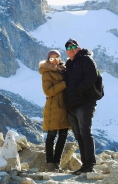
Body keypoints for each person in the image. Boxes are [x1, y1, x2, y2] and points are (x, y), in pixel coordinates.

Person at [63, 38, 98, 175]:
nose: (71, 50)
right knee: (78, 135)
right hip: (72, 106)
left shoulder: (85, 59)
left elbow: (92, 76)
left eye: (73, 47)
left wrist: (78, 91)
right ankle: (85, 165)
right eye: (68, 48)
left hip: (85, 103)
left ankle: (90, 165)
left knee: (85, 133)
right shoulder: (68, 64)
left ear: (78, 48)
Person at [39, 50, 71, 172]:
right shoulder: (46, 73)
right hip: (53, 108)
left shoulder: (64, 71)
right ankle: (50, 163)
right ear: (48, 60)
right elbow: (48, 92)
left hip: (64, 108)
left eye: (57, 58)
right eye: (51, 59)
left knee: (63, 136)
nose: (54, 61)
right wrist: (64, 84)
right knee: (51, 136)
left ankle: (57, 163)